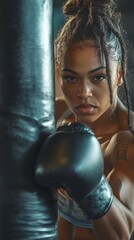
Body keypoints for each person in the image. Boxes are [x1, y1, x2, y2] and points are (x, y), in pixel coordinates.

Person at [54, 0, 134, 239]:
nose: (83, 92)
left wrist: (93, 188)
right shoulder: (57, 118)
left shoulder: (125, 143)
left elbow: (121, 234)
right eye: (71, 78)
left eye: (98, 77)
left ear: (119, 75)